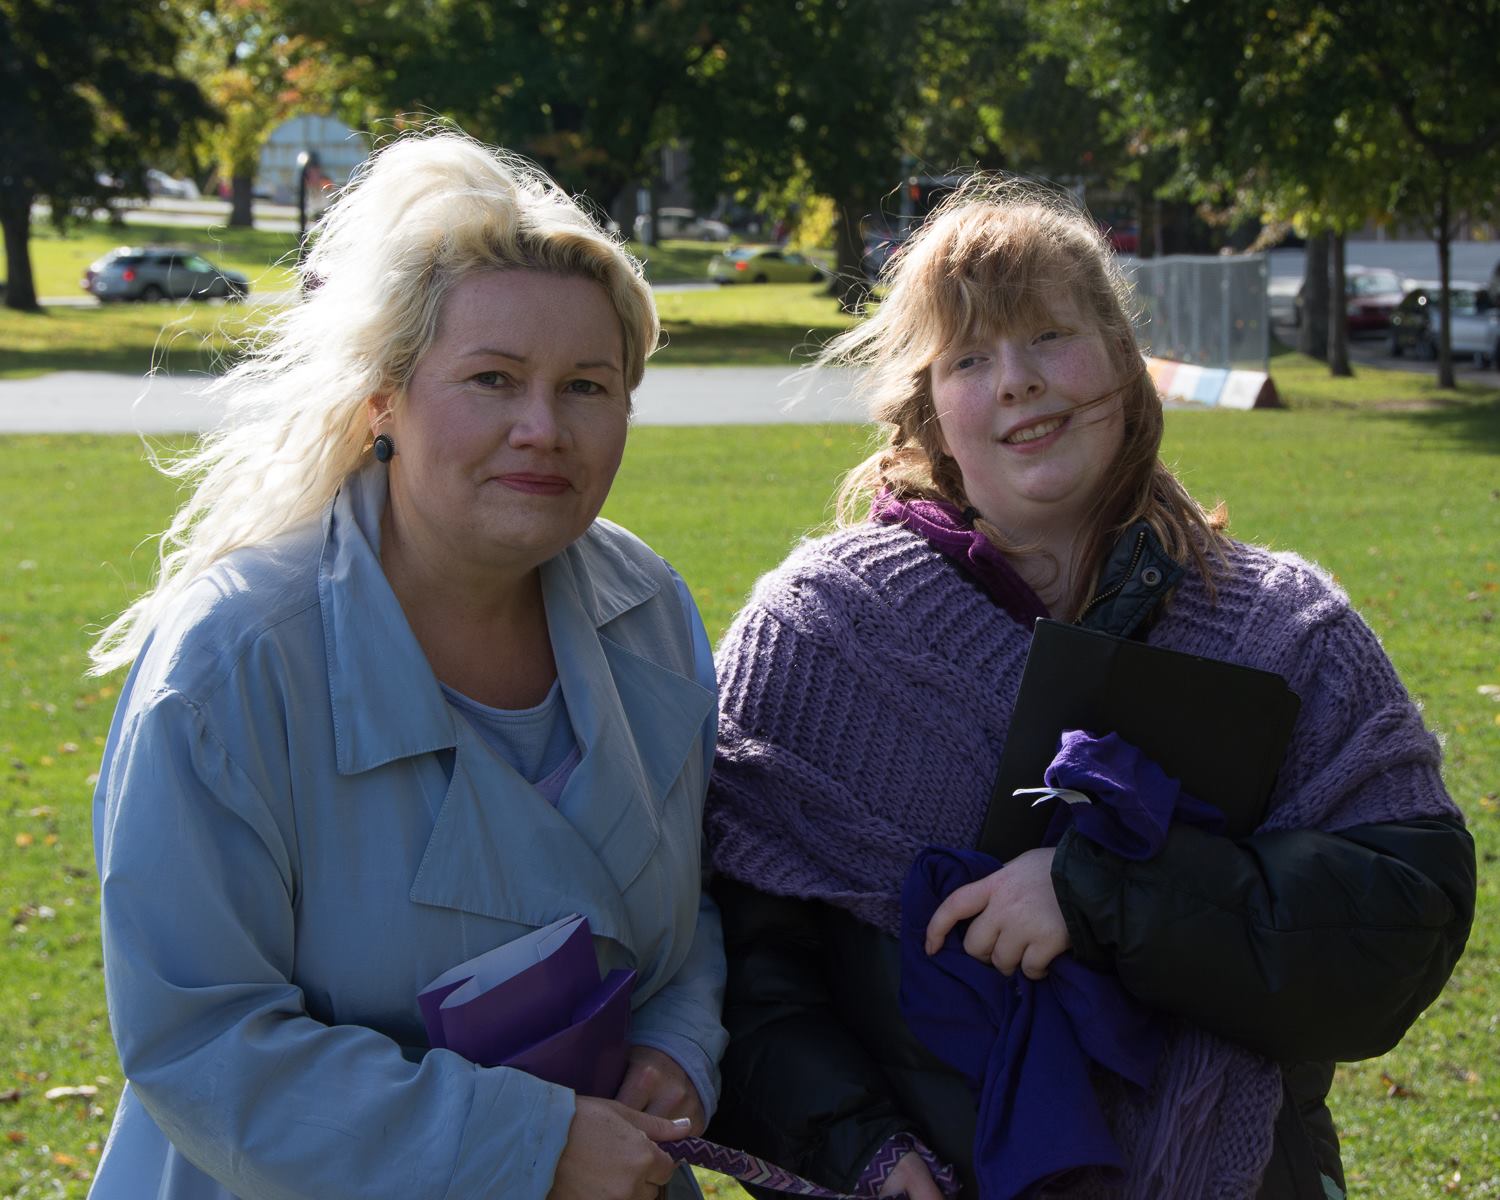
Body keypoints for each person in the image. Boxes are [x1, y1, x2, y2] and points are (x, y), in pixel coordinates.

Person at [703, 179, 1474, 1199]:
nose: (1017, 381)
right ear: (928, 407)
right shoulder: (817, 633)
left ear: (1121, 357)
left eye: (1050, 336)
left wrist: (1100, 895)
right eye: (969, 358)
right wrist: (860, 1150)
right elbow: (735, 967)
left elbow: (1404, 919)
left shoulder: (1284, 632)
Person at [89, 129, 725, 1200]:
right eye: (492, 378)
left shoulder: (651, 611)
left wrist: (677, 1045)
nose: (542, 428)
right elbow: (201, 1040)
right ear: (383, 398)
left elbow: (692, 906)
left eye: (586, 386)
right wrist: (526, 1146)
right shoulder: (232, 664)